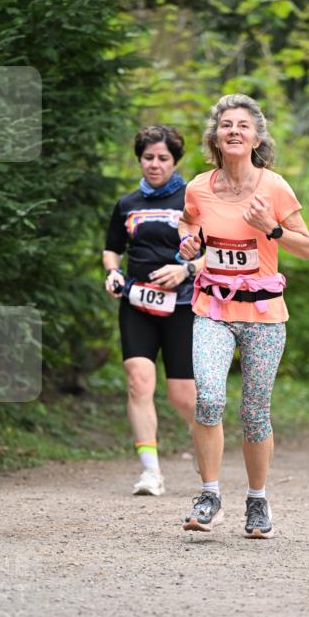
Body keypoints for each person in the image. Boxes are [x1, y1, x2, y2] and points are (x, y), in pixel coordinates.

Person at [178, 93, 309, 538]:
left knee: (255, 412)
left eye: (243, 125)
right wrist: (189, 243)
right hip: (212, 310)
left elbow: (306, 246)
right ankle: (210, 496)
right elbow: (187, 223)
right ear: (215, 137)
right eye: (226, 125)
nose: (233, 131)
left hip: (263, 315)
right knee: (208, 398)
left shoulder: (274, 187)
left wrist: (270, 229)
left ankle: (257, 502)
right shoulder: (198, 187)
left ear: (256, 138)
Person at [103, 125, 203, 496]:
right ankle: (150, 471)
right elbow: (112, 249)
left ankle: (202, 439)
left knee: (183, 395)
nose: (154, 164)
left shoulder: (192, 199)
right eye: (148, 158)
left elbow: (214, 252)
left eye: (163, 158)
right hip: (138, 302)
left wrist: (185, 269)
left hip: (183, 305)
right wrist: (113, 273)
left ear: (175, 161)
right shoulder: (127, 204)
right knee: (138, 379)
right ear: (140, 159)